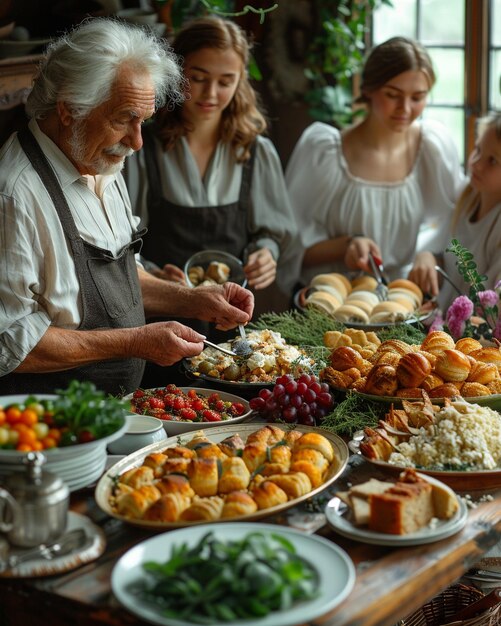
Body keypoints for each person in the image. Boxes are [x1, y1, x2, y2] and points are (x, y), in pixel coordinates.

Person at [0, 18, 254, 396]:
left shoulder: (96, 156)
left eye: (143, 122)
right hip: (52, 427)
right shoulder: (13, 194)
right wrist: (133, 342)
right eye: (124, 119)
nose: (136, 142)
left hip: (118, 410)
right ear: (70, 109)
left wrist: (195, 300)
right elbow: (9, 343)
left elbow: (118, 277)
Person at [124, 16, 299, 309]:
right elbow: (123, 242)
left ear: (240, 80)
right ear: (177, 71)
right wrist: (151, 273)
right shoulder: (142, 148)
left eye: (225, 82)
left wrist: (267, 254)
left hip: (234, 316)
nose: (211, 94)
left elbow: (270, 234)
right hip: (164, 312)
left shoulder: (256, 153)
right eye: (199, 78)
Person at [285, 36, 466, 287]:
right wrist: (346, 245)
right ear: (367, 88)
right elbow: (290, 250)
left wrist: (430, 254)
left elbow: (457, 222)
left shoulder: (432, 148)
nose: (405, 108)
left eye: (417, 97)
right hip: (331, 303)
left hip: (405, 304)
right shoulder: (323, 152)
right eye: (393, 94)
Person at [409, 111, 501, 309]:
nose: (476, 163)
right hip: (438, 323)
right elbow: (444, 256)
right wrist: (429, 258)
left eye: (492, 160)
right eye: (477, 150)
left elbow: (490, 309)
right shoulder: (467, 196)